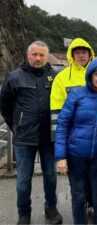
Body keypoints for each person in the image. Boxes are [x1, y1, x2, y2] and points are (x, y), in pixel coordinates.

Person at [50, 37, 97, 215]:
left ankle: (92, 206)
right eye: (77, 52)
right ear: (72, 55)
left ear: (90, 54)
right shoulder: (62, 77)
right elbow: (59, 117)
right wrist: (60, 154)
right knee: (78, 193)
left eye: (84, 52)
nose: (81, 56)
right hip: (75, 144)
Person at [0, 41, 62, 225]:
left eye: (42, 55)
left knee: (50, 176)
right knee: (23, 180)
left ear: (46, 56)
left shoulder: (55, 76)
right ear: (28, 55)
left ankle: (51, 209)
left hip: (48, 138)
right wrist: (17, 127)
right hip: (24, 138)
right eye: (34, 54)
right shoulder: (14, 77)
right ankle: (24, 214)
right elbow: (4, 106)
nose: (38, 58)